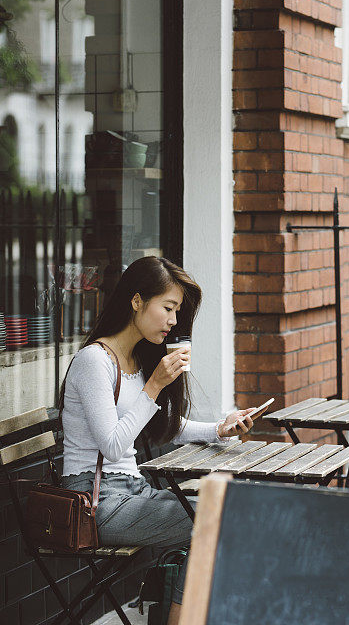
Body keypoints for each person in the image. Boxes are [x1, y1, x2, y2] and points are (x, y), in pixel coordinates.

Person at [60, 256, 255, 625]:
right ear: (136, 302)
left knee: (226, 506)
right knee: (212, 519)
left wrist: (219, 429)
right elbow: (114, 445)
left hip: (133, 491)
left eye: (177, 311)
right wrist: (155, 386)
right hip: (96, 501)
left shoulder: (134, 359)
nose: (174, 321)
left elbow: (163, 425)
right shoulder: (93, 361)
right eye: (168, 308)